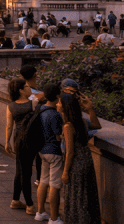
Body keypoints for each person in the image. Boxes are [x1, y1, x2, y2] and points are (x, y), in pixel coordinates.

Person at [59, 92, 102, 224]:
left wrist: (65, 172)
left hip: (76, 164)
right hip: (86, 160)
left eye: (60, 102)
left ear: (65, 106)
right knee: (87, 195)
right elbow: (96, 125)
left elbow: (70, 152)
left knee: (76, 198)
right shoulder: (81, 121)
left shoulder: (68, 126)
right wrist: (90, 108)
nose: (57, 104)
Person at [5, 77, 37, 215]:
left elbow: (9, 126)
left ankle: (15, 200)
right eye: (27, 87)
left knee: (20, 169)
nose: (30, 88)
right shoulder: (33, 104)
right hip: (30, 140)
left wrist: (7, 142)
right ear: (21, 90)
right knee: (26, 172)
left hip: (17, 139)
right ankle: (29, 204)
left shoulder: (10, 106)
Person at [35, 83, 64, 224]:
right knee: (54, 185)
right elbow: (59, 136)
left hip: (42, 150)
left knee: (43, 181)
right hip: (54, 152)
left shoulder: (40, 109)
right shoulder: (55, 115)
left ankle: (40, 212)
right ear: (58, 96)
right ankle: (54, 218)